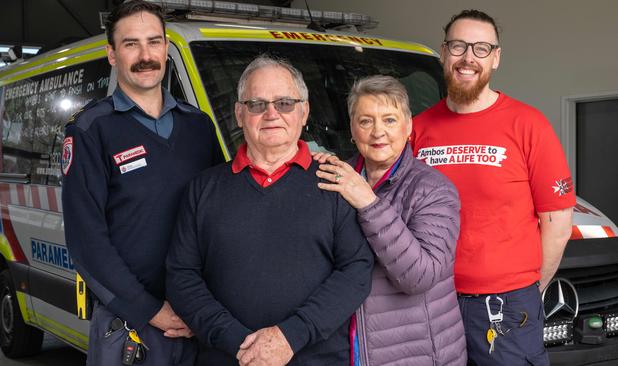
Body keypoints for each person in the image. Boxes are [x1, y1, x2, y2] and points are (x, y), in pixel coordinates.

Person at [165, 55, 374, 366]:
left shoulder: (337, 183)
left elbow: (356, 271)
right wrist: (239, 344)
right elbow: (181, 276)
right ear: (239, 113)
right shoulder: (202, 189)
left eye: (285, 103)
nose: (272, 113)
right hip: (226, 357)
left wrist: (290, 336)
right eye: (257, 104)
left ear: (304, 111)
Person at [61, 1, 224, 364]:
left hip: (199, 318)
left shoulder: (198, 126)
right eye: (131, 44)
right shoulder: (90, 130)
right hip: (131, 325)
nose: (145, 55)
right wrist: (150, 309)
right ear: (112, 54)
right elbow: (86, 242)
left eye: (154, 42)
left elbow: (222, 214)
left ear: (167, 49)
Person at [412, 9, 575, 365]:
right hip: (430, 303)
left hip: (506, 305)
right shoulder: (416, 129)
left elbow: (558, 224)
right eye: (458, 46)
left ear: (496, 58)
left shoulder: (528, 125)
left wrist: (530, 290)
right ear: (443, 52)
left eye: (481, 48)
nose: (468, 58)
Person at [314, 75, 466, 365]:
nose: (377, 132)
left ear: (408, 127)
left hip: (414, 354)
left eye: (390, 120)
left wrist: (369, 203)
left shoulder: (434, 189)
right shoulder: (337, 177)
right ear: (352, 130)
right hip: (345, 349)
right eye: (366, 121)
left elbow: (420, 275)